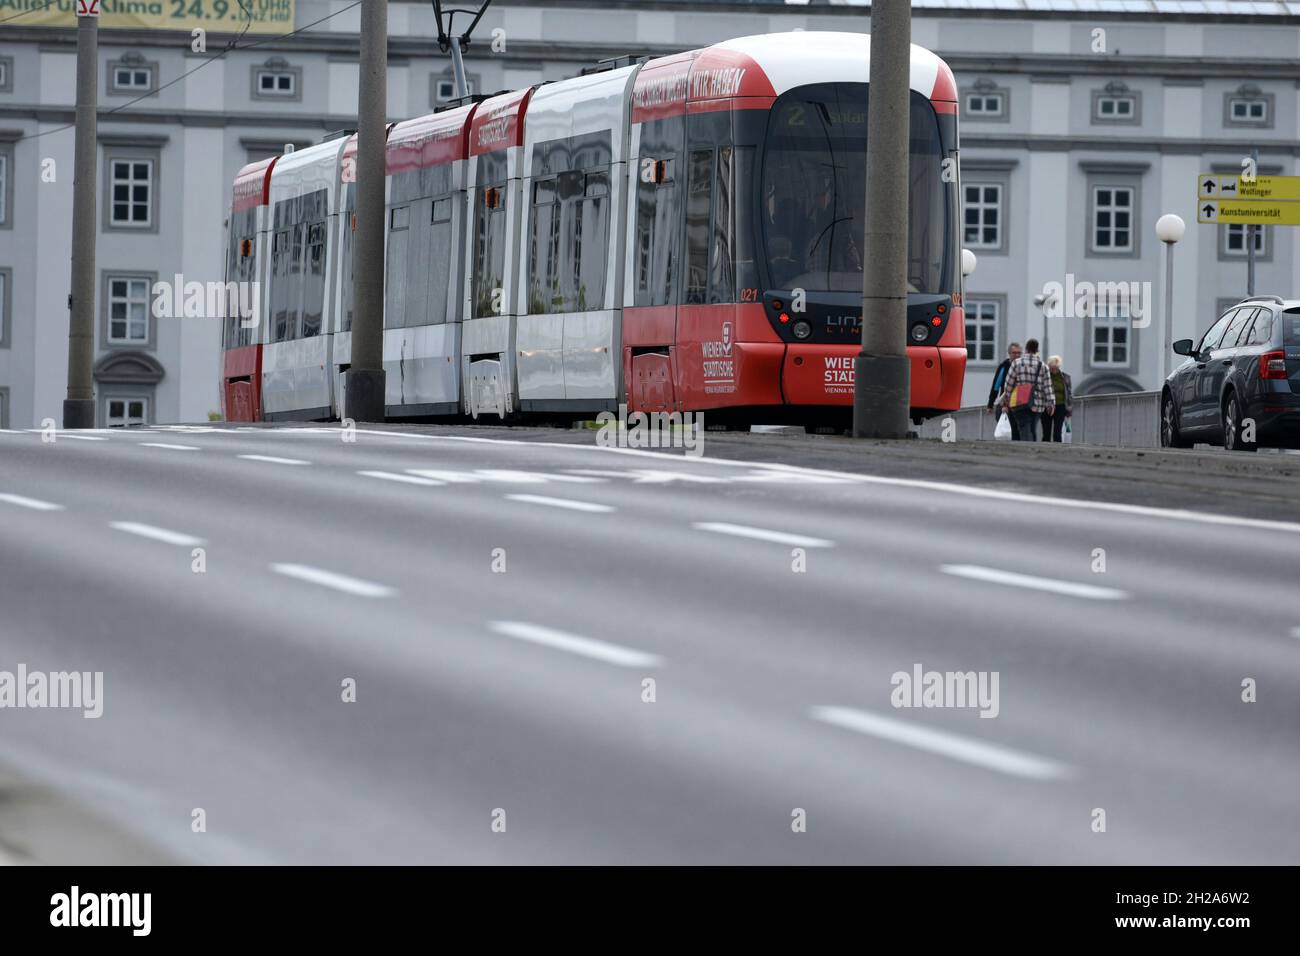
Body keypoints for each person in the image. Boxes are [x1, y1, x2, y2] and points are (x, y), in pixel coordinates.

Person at [997, 338, 1055, 442]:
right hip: (1038, 404)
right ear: (1037, 350)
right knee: (1032, 429)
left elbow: (1009, 384)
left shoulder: (1016, 363)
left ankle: (1027, 451)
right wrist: (1051, 404)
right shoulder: (1043, 366)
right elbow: (1048, 387)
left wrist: (1006, 401)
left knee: (1024, 428)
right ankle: (1033, 450)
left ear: (1026, 349)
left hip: (1020, 402)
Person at [987, 342, 1022, 439]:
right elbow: (996, 386)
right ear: (1009, 353)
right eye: (1014, 353)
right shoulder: (1004, 366)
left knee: (1018, 433)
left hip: (1020, 404)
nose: (1017, 355)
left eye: (1019, 353)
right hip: (1005, 404)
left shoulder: (1024, 367)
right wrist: (990, 404)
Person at [1041, 355, 1073, 442]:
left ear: (1059, 366)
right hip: (1046, 406)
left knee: (1057, 432)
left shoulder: (1065, 377)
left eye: (1056, 367)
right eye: (1052, 367)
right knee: (1046, 432)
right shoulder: (1044, 377)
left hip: (1060, 406)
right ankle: (1044, 449)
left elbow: (1069, 393)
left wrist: (1069, 408)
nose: (1054, 369)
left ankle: (1057, 451)